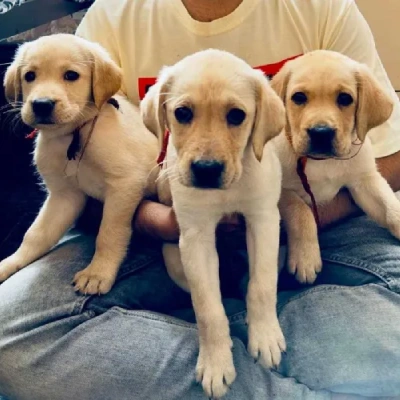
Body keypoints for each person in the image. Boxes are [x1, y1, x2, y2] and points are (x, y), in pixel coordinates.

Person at [1, 0, 400, 399]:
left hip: (329, 222)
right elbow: (78, 177)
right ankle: (271, 356)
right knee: (12, 333)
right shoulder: (113, 16)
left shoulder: (323, 7)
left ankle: (220, 347)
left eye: (236, 116)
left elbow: (390, 160)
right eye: (184, 114)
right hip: (156, 235)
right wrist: (156, 222)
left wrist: (300, 220)